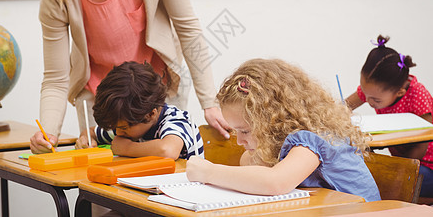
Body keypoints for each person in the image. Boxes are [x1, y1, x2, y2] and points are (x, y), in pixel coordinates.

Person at [30, 0, 230, 154]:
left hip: (154, 94)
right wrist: (48, 134)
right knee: (103, 181)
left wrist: (209, 103)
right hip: (100, 101)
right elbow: (56, 77)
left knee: (162, 174)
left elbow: (187, 28)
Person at [186, 58, 381, 202]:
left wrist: (209, 172)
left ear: (273, 120)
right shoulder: (287, 141)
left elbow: (275, 182)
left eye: (245, 131)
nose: (239, 141)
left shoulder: (314, 140)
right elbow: (248, 162)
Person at [345, 35, 433, 197]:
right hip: (403, 162)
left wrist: (394, 168)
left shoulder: (418, 95)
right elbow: (343, 108)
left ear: (400, 92)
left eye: (376, 100)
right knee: (360, 172)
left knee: (383, 179)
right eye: (365, 94)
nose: (368, 101)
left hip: (427, 167)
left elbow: (423, 143)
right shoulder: (375, 90)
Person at [75, 61, 203, 159]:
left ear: (151, 114)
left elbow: (167, 150)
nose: (118, 132)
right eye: (116, 127)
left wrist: (126, 148)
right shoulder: (127, 123)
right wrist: (86, 140)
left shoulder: (176, 120)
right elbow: (91, 131)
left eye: (123, 128)